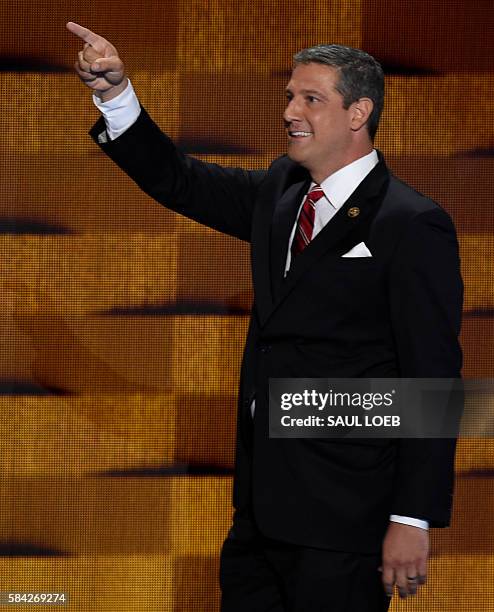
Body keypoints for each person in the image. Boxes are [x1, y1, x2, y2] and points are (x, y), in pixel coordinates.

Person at [67, 21, 463, 612]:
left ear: (359, 113)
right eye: (288, 95)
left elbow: (432, 379)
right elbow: (180, 180)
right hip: (258, 514)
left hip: (343, 519)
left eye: (310, 98)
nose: (289, 111)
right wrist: (115, 95)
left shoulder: (411, 224)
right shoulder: (281, 192)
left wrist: (413, 517)